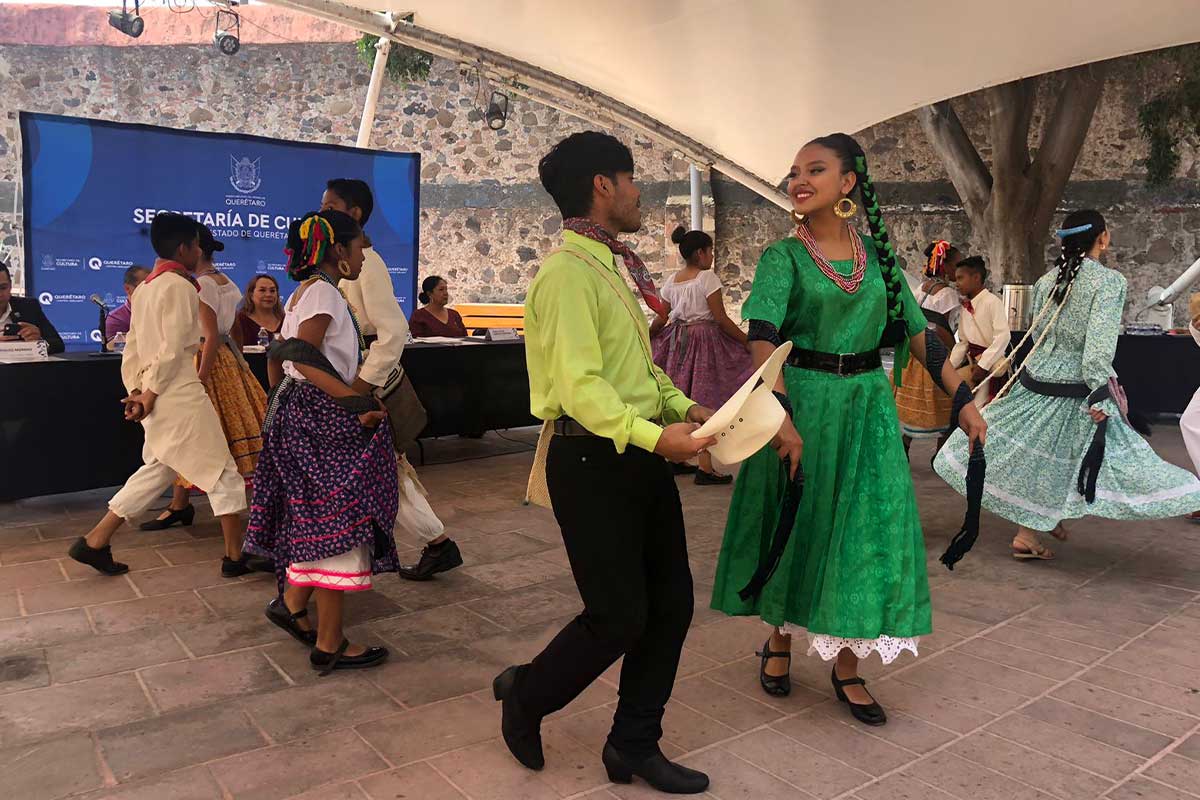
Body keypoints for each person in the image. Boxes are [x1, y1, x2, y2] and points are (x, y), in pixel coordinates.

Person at [709, 133, 986, 728]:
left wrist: (961, 398)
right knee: (797, 522)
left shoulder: (880, 260)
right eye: (793, 171)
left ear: (848, 182)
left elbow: (922, 336)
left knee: (862, 534)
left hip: (866, 411)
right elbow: (761, 333)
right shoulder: (782, 258)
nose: (798, 180)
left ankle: (848, 665)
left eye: (815, 169)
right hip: (798, 405)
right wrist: (779, 414)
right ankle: (779, 641)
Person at [493, 131, 714, 795]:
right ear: (603, 186)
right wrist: (654, 437)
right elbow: (583, 387)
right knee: (618, 615)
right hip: (591, 459)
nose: (640, 191)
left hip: (637, 451)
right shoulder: (566, 275)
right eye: (631, 177)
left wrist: (686, 406)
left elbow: (636, 371)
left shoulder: (611, 267)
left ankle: (632, 745)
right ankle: (526, 696)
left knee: (670, 606)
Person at [936, 210, 1200, 559]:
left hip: (1037, 385)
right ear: (1102, 238)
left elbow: (1041, 342)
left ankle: (1031, 529)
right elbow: (1096, 354)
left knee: (1046, 457)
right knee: (1129, 463)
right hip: (1076, 389)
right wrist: (1101, 396)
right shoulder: (1108, 283)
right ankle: (1193, 494)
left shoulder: (1047, 282)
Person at [245, 209, 398, 673]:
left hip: (302, 411)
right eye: (357, 248)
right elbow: (302, 355)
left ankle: (292, 602)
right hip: (319, 415)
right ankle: (330, 642)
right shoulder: (325, 296)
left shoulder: (306, 293)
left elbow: (281, 354)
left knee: (316, 514)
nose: (361, 255)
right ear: (338, 251)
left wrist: (278, 394)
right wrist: (354, 403)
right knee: (339, 520)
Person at [66, 213, 249, 578]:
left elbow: (133, 346)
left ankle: (96, 541)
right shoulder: (180, 287)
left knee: (160, 467)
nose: (200, 250)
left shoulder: (146, 288)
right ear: (184, 247)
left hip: (158, 392)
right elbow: (177, 347)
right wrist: (148, 393)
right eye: (197, 244)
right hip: (177, 392)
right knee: (224, 473)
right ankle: (235, 557)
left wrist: (135, 389)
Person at [320, 178, 463, 581]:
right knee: (385, 471)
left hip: (364, 382)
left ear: (354, 214)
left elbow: (393, 330)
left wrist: (361, 388)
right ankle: (433, 543)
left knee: (385, 471)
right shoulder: (340, 263)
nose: (321, 211)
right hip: (350, 379)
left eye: (330, 205)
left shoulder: (367, 263)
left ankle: (432, 543)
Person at [139, 225, 268, 559]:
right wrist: (238, 363)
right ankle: (182, 504)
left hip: (205, 361)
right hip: (229, 360)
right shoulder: (227, 282)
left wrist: (202, 376)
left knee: (203, 441)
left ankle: (220, 527)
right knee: (219, 438)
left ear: (194, 250)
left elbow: (209, 336)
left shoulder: (200, 285)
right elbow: (233, 329)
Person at [650, 225, 753, 485]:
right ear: (700, 253)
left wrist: (649, 336)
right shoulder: (707, 279)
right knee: (704, 397)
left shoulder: (672, 281)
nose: (712, 257)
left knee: (679, 393)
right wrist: (746, 341)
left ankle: (676, 458)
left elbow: (662, 317)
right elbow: (720, 318)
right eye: (710, 251)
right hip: (704, 342)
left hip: (677, 342)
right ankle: (705, 468)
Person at [892, 241, 964, 455]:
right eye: (956, 265)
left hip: (914, 355)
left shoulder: (919, 289)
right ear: (946, 266)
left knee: (912, 406)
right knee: (945, 407)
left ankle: (904, 448)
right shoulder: (948, 296)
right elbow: (948, 330)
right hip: (936, 355)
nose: (958, 270)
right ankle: (941, 455)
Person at [951, 256, 1011, 408]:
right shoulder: (966, 306)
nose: (956, 284)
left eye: (960, 278)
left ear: (976, 278)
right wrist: (949, 367)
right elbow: (963, 343)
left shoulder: (992, 302)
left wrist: (983, 365)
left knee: (981, 408)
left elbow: (1003, 336)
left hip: (989, 366)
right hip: (974, 363)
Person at [0, 262, 64, 354]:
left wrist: (39, 342)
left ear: (10, 286)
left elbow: (58, 345)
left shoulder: (28, 306)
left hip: (24, 367)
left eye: (3, 288)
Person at [104, 265, 150, 344]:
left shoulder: (161, 312)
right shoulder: (115, 320)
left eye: (154, 287)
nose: (151, 291)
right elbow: (114, 350)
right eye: (145, 287)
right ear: (127, 289)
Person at [236, 274, 286, 345]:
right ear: (251, 295)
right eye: (262, 290)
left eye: (272, 291)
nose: (268, 294)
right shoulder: (240, 320)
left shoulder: (286, 320)